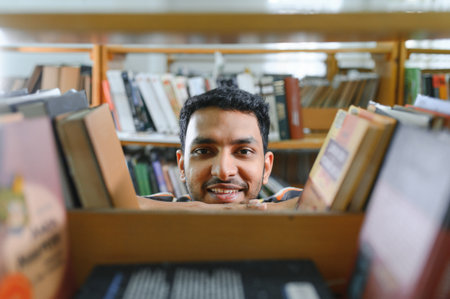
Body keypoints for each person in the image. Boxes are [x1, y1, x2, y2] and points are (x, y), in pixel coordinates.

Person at [137, 87, 301, 211]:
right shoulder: (166, 208)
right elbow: (116, 206)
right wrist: (197, 213)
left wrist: (260, 214)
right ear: (181, 165)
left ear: (266, 168)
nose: (223, 171)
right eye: (203, 151)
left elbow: (324, 205)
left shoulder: (285, 202)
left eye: (243, 151)